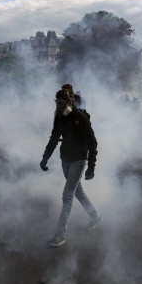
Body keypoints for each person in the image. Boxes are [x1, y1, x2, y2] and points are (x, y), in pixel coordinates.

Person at [40, 87, 101, 247]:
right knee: (78, 192)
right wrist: (45, 158)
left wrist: (91, 167)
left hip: (79, 160)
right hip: (65, 159)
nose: (59, 107)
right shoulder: (60, 118)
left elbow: (92, 143)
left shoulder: (81, 118)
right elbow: (54, 138)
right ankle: (95, 216)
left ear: (69, 101)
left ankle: (59, 235)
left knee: (67, 196)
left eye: (62, 103)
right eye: (57, 103)